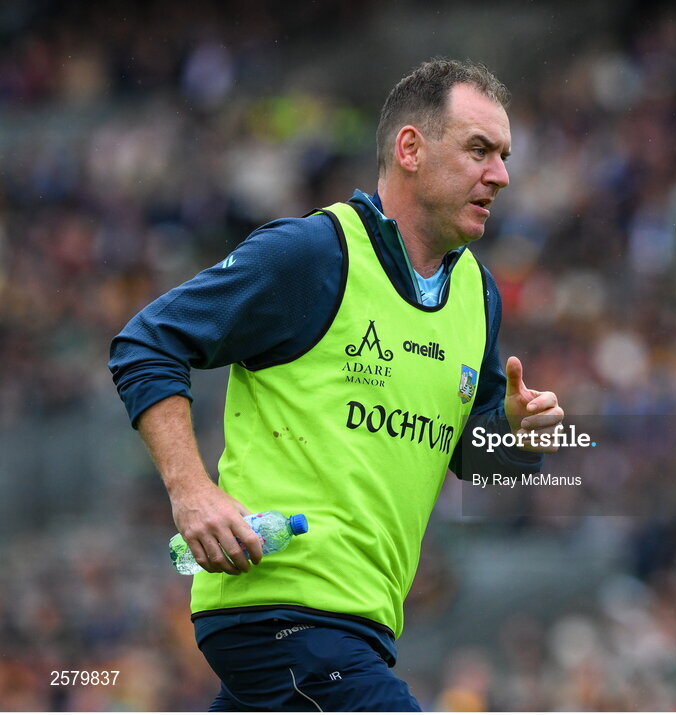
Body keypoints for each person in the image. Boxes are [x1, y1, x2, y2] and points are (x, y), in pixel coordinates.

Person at [109, 58, 564, 711]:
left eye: (504, 155)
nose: (501, 174)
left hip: (363, 626)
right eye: (478, 150)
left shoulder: (479, 296)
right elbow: (145, 342)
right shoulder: (314, 254)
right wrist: (192, 492)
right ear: (410, 148)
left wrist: (518, 439)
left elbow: (473, 460)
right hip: (283, 611)